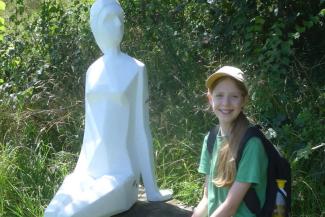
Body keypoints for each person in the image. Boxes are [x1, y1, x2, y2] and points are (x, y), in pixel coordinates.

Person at [44, 0, 171, 216]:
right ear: (95, 26)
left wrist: (152, 190)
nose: (117, 25)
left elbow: (142, 130)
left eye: (119, 19)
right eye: (108, 20)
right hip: (88, 168)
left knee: (67, 215)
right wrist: (79, 172)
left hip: (121, 173)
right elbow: (90, 128)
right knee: (51, 213)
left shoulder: (136, 69)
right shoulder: (92, 71)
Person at [192, 66, 268, 217]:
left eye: (234, 96)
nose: (226, 103)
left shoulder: (252, 144)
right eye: (219, 95)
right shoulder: (211, 139)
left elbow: (230, 208)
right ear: (210, 98)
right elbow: (207, 199)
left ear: (244, 100)